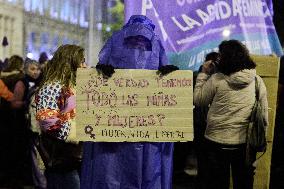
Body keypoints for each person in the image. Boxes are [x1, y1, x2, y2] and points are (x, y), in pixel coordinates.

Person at [81, 15, 178, 189]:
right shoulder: (155, 42)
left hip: (112, 132)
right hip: (147, 131)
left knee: (111, 171)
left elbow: (102, 63)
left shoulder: (115, 39)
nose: (137, 49)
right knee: (148, 171)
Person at [194, 40, 268, 189]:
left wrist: (203, 74)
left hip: (215, 142)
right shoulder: (256, 81)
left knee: (218, 183)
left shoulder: (217, 79)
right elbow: (264, 117)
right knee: (244, 183)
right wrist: (258, 142)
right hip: (245, 145)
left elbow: (198, 100)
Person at [35, 45, 85, 189]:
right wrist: (75, 133)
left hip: (74, 158)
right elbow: (47, 121)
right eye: (81, 61)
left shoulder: (75, 85)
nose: (85, 65)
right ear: (70, 62)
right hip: (61, 158)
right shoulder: (52, 87)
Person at [0, 55, 26, 187]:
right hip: (15, 119)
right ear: (21, 65)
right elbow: (16, 101)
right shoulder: (20, 78)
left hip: (2, 119)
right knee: (14, 149)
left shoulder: (1, 77)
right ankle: (14, 179)